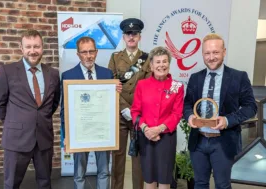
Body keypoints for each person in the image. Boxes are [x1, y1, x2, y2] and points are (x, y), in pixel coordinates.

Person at [183, 33, 257, 189]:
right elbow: (187, 104)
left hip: (224, 141)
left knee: (222, 185)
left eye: (215, 52)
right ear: (202, 54)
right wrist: (189, 116)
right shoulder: (195, 77)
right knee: (200, 184)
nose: (211, 57)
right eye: (207, 53)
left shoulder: (239, 77)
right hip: (199, 141)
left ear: (224, 52)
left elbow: (251, 107)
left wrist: (227, 120)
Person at [0, 29, 60, 189]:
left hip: (43, 138)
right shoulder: (7, 71)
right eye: (28, 46)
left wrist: (39, 120)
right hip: (16, 139)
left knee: (45, 183)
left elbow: (54, 102)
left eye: (36, 46)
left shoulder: (54, 74)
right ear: (21, 49)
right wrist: (13, 122)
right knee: (11, 184)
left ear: (42, 48)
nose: (33, 51)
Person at [60, 36, 122, 189]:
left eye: (91, 51)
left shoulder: (107, 74)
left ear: (96, 52)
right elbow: (64, 109)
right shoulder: (68, 76)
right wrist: (65, 135)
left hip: (102, 131)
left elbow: (110, 104)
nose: (88, 55)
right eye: (84, 52)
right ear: (78, 54)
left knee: (103, 171)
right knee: (79, 174)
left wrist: (117, 92)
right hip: (79, 132)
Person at [130, 46, 184, 189]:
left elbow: (177, 113)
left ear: (169, 64)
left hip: (166, 138)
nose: (161, 65)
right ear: (151, 66)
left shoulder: (176, 86)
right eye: (158, 62)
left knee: (164, 178)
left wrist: (158, 129)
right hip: (145, 137)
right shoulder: (142, 85)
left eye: (164, 61)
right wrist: (146, 129)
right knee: (149, 177)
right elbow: (135, 111)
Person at [108, 18, 151, 189]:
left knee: (138, 159)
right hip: (119, 115)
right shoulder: (115, 57)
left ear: (139, 36)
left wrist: (135, 112)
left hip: (139, 116)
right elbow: (110, 86)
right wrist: (124, 108)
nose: (131, 37)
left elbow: (149, 87)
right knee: (117, 158)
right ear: (123, 37)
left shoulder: (147, 59)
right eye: (128, 34)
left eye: (135, 34)